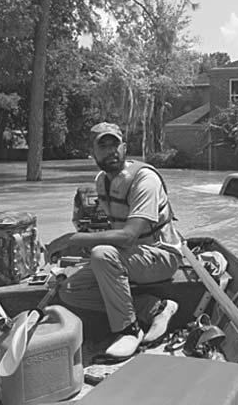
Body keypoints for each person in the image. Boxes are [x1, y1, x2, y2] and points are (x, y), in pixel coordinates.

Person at [59, 122, 182, 360]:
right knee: (69, 290)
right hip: (131, 256)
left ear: (124, 148)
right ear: (92, 152)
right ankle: (155, 308)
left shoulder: (144, 179)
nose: (110, 151)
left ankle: (128, 330)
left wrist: (73, 240)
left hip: (161, 256)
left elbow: (128, 235)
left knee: (101, 254)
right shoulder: (101, 181)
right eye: (103, 146)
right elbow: (114, 230)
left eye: (114, 145)